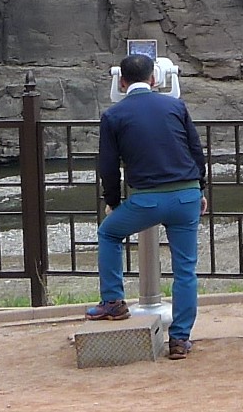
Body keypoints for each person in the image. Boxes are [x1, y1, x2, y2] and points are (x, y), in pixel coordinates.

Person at [85, 54, 208, 361]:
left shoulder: (113, 116)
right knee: (185, 269)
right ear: (154, 79)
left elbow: (108, 166)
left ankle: (113, 301)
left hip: (147, 200)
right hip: (186, 197)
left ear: (121, 82)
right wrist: (200, 188)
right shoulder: (176, 106)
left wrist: (113, 201)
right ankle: (179, 338)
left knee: (109, 234)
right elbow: (196, 151)